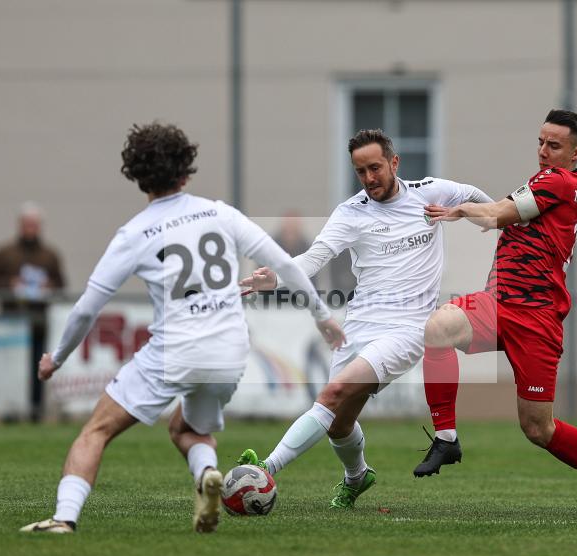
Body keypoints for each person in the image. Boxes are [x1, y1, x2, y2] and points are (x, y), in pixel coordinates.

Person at [20, 122, 343, 535]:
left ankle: (64, 518)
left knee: (95, 431)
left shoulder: (134, 233)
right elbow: (283, 263)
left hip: (174, 350)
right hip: (229, 352)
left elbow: (86, 309)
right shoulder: (221, 213)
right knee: (188, 429)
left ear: (137, 176)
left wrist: (57, 358)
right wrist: (322, 316)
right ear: (186, 170)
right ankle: (208, 476)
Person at [237, 129, 493, 508]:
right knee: (339, 422)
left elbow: (471, 193)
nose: (370, 178)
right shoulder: (351, 212)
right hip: (360, 325)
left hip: (408, 329)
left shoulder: (430, 191)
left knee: (331, 394)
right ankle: (357, 476)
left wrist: (498, 218)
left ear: (394, 162)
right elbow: (315, 257)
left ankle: (265, 470)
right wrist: (275, 276)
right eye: (361, 171)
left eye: (375, 167)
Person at [419, 109, 577, 515]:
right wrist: (481, 209)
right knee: (438, 328)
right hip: (498, 303)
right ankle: (445, 437)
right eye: (540, 142)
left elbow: (501, 213)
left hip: (537, 317)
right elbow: (505, 211)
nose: (543, 151)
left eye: (554, 145)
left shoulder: (562, 182)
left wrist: (460, 210)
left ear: (576, 152)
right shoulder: (547, 182)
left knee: (538, 429)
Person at [0, 203, 66, 422]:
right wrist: (10, 284)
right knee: (9, 371)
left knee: (37, 369)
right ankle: (9, 410)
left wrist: (49, 287)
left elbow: (61, 285)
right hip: (10, 324)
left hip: (38, 325)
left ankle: (35, 411)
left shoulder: (50, 255)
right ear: (20, 225)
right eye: (27, 224)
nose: (30, 228)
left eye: (34, 224)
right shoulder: (5, 253)